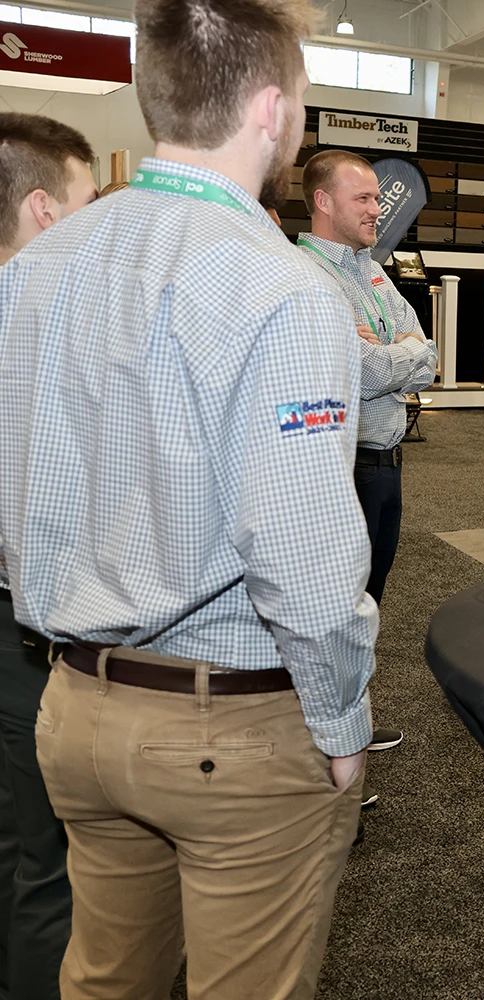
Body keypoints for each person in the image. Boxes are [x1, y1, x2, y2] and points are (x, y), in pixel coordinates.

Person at [0, 0, 375, 995]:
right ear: (273, 110)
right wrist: (342, 724)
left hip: (73, 707)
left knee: (107, 979)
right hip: (232, 731)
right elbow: (300, 553)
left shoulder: (33, 271)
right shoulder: (284, 290)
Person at [0, 111, 96, 1000]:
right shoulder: (51, 336)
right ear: (43, 209)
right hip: (31, 631)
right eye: (88, 204)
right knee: (49, 867)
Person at [298, 148, 436, 610]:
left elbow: (429, 360)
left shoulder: (373, 269)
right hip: (342, 466)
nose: (378, 210)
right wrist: (400, 351)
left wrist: (391, 351)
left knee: (369, 599)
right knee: (332, 600)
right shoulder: (308, 274)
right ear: (323, 201)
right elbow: (363, 371)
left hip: (388, 464)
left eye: (377, 198)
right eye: (363, 198)